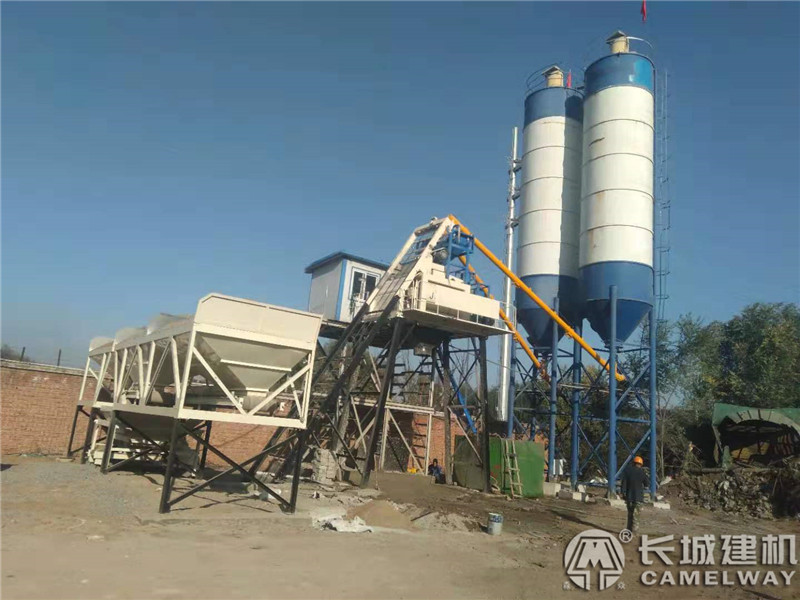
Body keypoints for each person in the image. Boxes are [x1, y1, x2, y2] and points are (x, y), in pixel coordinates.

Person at [620, 455, 649, 533]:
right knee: (636, 516)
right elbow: (646, 484)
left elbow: (623, 483)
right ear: (641, 464)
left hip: (629, 497)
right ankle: (634, 532)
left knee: (630, 515)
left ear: (633, 463)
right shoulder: (642, 473)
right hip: (638, 498)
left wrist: (623, 493)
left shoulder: (628, 471)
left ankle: (628, 531)